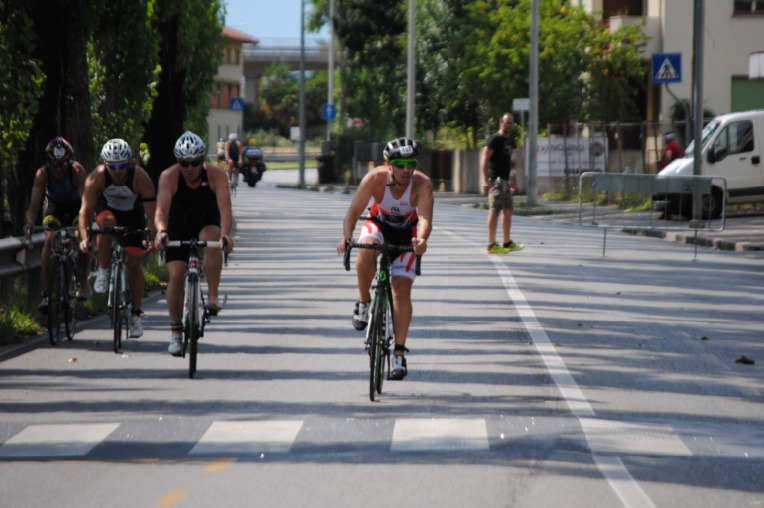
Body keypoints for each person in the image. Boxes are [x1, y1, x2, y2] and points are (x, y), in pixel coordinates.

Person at [336, 136, 433, 380]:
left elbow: (424, 219)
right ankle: (363, 301)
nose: (406, 170)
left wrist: (421, 239)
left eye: (411, 163)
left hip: (407, 234)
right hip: (378, 225)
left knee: (401, 287)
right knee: (366, 247)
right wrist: (346, 236)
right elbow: (353, 212)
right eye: (400, 164)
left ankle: (399, 353)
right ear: (389, 164)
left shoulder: (422, 184)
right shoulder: (375, 179)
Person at [154, 131, 234, 357]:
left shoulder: (217, 176)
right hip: (178, 224)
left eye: (196, 162)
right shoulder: (168, 177)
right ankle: (175, 333)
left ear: (203, 160)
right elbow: (161, 210)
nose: (190, 168)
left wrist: (226, 235)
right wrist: (161, 232)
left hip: (207, 221)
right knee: (177, 275)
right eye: (184, 163)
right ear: (178, 162)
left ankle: (212, 297)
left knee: (212, 237)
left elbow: (226, 211)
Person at [78, 138, 157, 338]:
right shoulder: (96, 178)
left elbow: (151, 215)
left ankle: (136, 315)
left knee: (133, 262)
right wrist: (85, 237)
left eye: (122, 165)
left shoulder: (140, 178)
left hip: (134, 217)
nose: (118, 171)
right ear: (105, 164)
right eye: (113, 166)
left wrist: (153, 237)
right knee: (105, 224)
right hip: (109, 212)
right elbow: (84, 212)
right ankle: (103, 270)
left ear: (128, 163)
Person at [24, 137, 92, 312]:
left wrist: (85, 227)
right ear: (49, 160)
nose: (59, 168)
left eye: (63, 164)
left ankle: (83, 281)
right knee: (48, 240)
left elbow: (86, 202)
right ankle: (46, 294)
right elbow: (33, 206)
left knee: (81, 238)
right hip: (55, 206)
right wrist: (30, 222)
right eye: (55, 164)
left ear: (68, 160)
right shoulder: (43, 173)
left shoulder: (77, 171)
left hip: (76, 207)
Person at [481, 113, 525, 254]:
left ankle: (506, 242)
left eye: (511, 123)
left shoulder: (508, 141)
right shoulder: (495, 139)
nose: (510, 125)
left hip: (506, 180)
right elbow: (484, 157)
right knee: (495, 210)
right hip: (496, 180)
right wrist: (485, 179)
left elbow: (509, 162)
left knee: (508, 210)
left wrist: (513, 179)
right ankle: (491, 244)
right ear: (501, 122)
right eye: (507, 122)